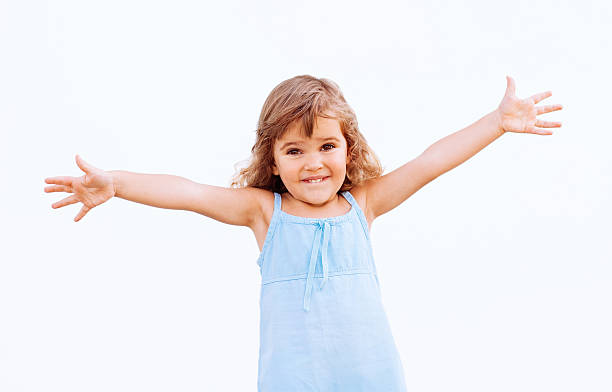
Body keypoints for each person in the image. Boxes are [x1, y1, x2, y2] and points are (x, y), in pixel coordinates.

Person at [44, 74, 563, 391]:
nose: (313, 163)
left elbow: (431, 162)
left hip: (373, 378)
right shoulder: (264, 213)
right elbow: (189, 192)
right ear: (272, 158)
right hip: (293, 382)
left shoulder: (363, 204)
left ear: (348, 150)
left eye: (326, 147)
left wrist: (497, 122)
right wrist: (116, 184)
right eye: (294, 151)